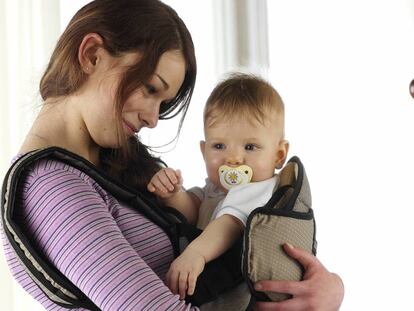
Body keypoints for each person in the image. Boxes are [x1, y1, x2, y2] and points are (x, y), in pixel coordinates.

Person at [0, 0, 344, 310]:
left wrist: (329, 290)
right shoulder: (51, 186)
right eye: (150, 89)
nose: (152, 118)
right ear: (91, 55)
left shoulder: (110, 165)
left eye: (162, 104)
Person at [147, 73, 290, 300]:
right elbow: (193, 212)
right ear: (204, 152)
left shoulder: (262, 189)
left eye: (250, 147)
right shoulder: (216, 189)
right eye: (219, 145)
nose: (233, 159)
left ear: (278, 155)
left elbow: (230, 223)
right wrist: (173, 194)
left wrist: (196, 254)